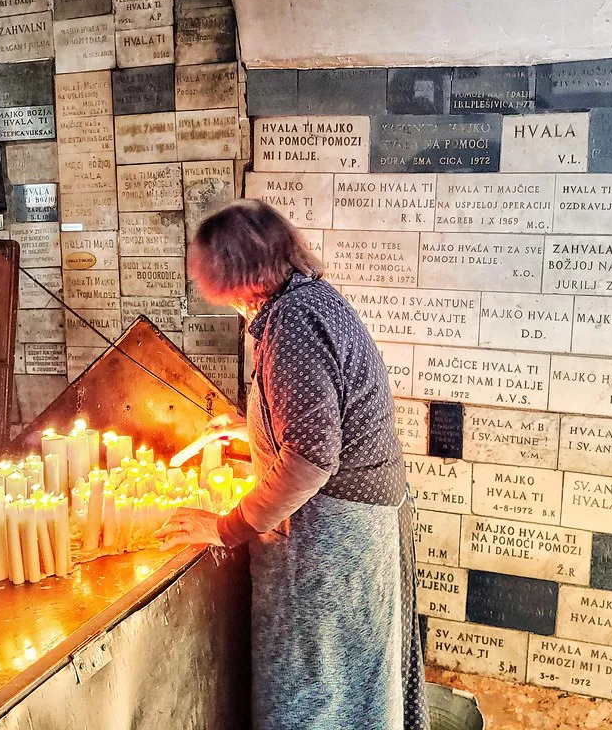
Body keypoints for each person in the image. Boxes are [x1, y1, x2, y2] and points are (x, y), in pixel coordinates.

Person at [155, 199, 430, 730]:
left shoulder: (293, 322)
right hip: (359, 524)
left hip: (332, 541)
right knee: (350, 688)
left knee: (317, 693)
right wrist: (251, 429)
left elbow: (309, 459)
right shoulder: (310, 300)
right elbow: (319, 414)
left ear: (232, 275)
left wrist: (225, 526)